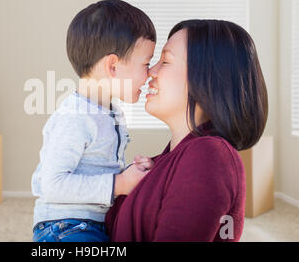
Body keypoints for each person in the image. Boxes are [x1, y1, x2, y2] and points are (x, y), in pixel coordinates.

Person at [105, 19, 268, 242]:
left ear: (208, 77)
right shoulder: (168, 160)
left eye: (165, 61)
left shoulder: (210, 155)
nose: (150, 71)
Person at [31, 0, 157, 242]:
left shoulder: (110, 111)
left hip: (93, 224)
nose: (150, 72)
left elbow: (94, 168)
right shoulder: (76, 116)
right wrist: (118, 184)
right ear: (112, 65)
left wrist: (129, 173)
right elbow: (53, 185)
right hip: (64, 227)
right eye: (146, 63)